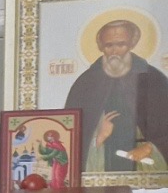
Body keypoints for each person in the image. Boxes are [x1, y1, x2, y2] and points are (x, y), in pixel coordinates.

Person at [65, 17, 168, 174]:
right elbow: (72, 134)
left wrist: (150, 147)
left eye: (121, 44)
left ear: (131, 44)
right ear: (101, 46)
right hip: (100, 163)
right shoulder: (85, 82)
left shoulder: (153, 78)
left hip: (143, 163)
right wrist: (98, 137)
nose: (114, 51)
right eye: (109, 45)